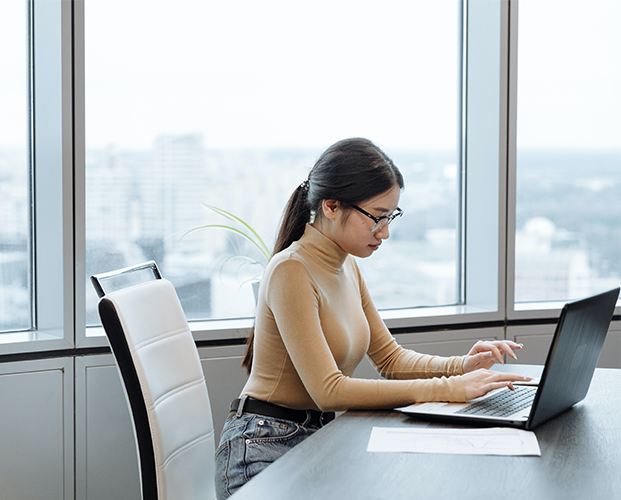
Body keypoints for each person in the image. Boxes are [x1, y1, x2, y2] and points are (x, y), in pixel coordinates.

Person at [214, 137, 530, 499]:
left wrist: (462, 365)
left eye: (391, 217)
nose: (386, 232)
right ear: (331, 206)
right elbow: (328, 390)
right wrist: (447, 390)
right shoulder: (291, 270)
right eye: (377, 217)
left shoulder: (346, 265)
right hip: (262, 447)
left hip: (313, 439)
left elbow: (391, 360)